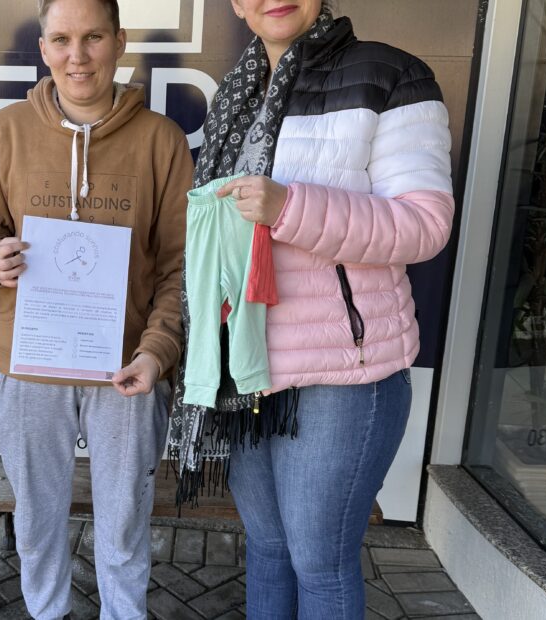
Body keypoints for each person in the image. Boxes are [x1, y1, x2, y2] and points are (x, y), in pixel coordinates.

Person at [172, 1, 455, 617]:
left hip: (341, 375)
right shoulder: (238, 92)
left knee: (320, 564)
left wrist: (290, 207)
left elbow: (425, 225)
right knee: (268, 549)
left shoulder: (390, 76)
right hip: (246, 369)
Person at [0, 0, 192, 617]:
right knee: (37, 526)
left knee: (124, 531)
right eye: (61, 40)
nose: (77, 56)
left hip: (126, 371)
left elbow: (180, 266)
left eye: (93, 38)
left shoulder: (161, 141)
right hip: (30, 368)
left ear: (119, 40)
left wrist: (157, 351)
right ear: (43, 49)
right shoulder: (9, 130)